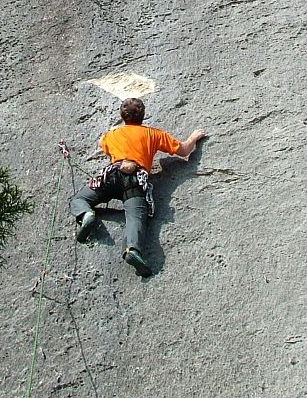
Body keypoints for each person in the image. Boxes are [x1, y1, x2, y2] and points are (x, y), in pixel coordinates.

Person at [69, 97, 206, 277]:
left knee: (79, 199)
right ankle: (133, 250)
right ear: (143, 115)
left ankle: (86, 213)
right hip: (135, 180)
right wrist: (194, 137)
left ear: (122, 115)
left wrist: (114, 133)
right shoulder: (154, 134)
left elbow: (103, 144)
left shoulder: (112, 135)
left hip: (111, 176)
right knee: (135, 217)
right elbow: (184, 151)